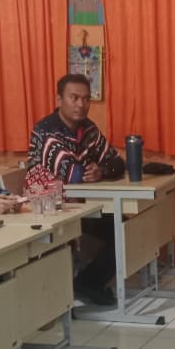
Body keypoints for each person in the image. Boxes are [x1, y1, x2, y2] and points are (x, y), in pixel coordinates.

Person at [26, 74, 125, 305]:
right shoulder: (46, 131)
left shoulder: (88, 129)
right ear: (59, 100)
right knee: (117, 230)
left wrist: (102, 171)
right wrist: (95, 170)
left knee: (124, 229)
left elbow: (116, 162)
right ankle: (83, 285)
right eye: (74, 98)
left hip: (80, 207)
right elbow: (74, 175)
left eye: (86, 99)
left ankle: (86, 283)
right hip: (51, 210)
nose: (81, 104)